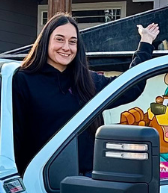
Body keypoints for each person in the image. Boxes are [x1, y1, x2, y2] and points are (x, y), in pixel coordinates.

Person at [12, 13, 160, 174]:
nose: (66, 47)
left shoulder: (88, 81)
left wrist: (145, 43)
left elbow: (130, 88)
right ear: (45, 41)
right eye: (59, 39)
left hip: (86, 183)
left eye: (72, 42)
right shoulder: (23, 80)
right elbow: (15, 136)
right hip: (40, 184)